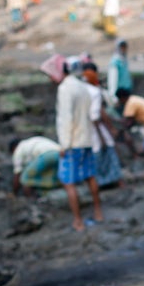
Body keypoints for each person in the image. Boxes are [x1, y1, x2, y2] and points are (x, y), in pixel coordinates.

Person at [40, 54, 104, 231]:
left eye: (51, 75)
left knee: (69, 183)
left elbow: (66, 119)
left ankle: (78, 221)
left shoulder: (65, 89)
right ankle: (98, 212)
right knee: (90, 176)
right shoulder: (82, 87)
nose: (51, 79)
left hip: (72, 142)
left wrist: (64, 144)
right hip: (87, 139)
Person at [81, 62, 123, 188]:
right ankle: (115, 182)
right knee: (108, 152)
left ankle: (99, 185)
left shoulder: (81, 91)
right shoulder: (95, 91)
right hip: (96, 131)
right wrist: (103, 137)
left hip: (85, 131)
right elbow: (97, 116)